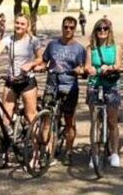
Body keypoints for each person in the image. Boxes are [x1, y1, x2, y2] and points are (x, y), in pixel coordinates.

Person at [34, 16, 86, 165]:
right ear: (62, 28)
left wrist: (79, 70)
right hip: (52, 85)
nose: (68, 30)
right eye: (65, 27)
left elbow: (83, 67)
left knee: (69, 121)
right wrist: (41, 67)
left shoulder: (79, 49)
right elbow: (45, 61)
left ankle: (69, 151)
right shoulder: (52, 45)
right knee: (47, 120)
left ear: (75, 29)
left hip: (69, 87)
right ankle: (47, 151)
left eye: (71, 27)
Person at [85, 18, 123, 168]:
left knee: (113, 121)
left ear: (109, 31)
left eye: (105, 29)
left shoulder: (116, 47)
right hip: (94, 85)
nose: (102, 31)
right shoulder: (90, 48)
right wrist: (90, 69)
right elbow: (87, 66)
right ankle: (94, 153)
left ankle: (114, 152)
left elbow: (119, 64)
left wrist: (111, 67)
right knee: (95, 121)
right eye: (99, 29)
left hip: (111, 85)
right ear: (95, 31)